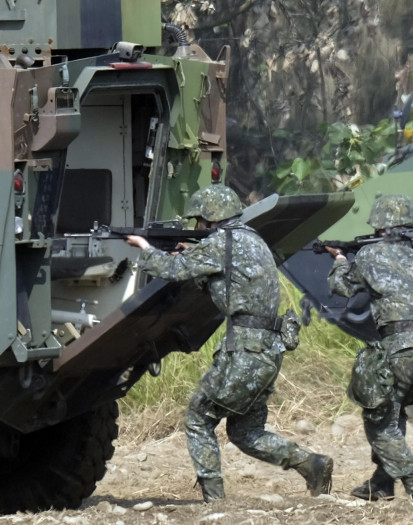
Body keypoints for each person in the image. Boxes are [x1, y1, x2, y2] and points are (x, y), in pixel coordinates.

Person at [125, 184, 333, 502]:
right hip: (266, 350)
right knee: (244, 432)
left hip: (245, 352)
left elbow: (172, 270)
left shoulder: (221, 242)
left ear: (211, 218)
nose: (198, 228)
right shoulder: (252, 240)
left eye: (200, 221)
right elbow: (225, 279)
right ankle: (312, 464)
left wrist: (143, 246)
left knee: (198, 419)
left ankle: (214, 501)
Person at [325, 194, 413, 500]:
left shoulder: (370, 255)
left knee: (379, 421)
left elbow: (343, 287)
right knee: (393, 413)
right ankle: (382, 483)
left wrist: (340, 260)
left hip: (403, 347)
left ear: (380, 225)